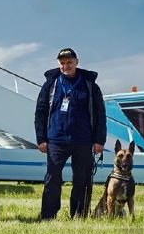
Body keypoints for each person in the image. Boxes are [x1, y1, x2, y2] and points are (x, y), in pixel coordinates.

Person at [34, 47, 106, 220]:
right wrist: (41, 139)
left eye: (69, 62)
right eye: (62, 63)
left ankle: (79, 214)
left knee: (82, 179)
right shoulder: (51, 84)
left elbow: (100, 114)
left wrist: (99, 140)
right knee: (52, 179)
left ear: (76, 62)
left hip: (83, 140)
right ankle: (48, 215)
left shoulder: (90, 86)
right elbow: (40, 112)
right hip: (56, 140)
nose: (66, 65)